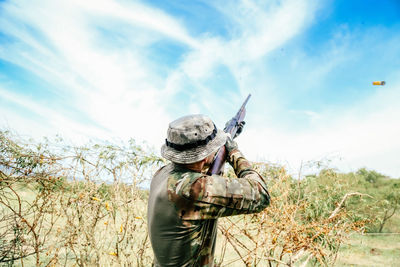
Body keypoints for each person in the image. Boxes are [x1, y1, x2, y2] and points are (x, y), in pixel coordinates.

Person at [147, 114, 270, 267]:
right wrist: (233, 152)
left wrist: (220, 147)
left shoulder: (162, 174)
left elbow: (204, 179)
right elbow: (262, 194)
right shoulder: (193, 189)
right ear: (204, 157)